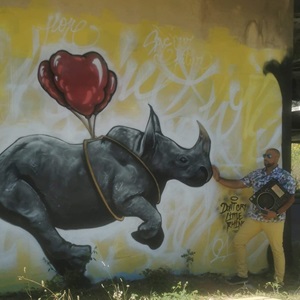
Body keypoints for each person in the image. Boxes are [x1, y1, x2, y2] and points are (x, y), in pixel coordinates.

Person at [212, 148, 296, 286]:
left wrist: (276, 213)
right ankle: (242, 275)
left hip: (274, 220)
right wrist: (219, 179)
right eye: (264, 156)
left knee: (277, 249)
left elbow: (291, 199)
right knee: (239, 241)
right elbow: (239, 183)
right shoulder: (257, 174)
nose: (265, 158)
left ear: (276, 158)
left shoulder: (284, 176)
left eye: (269, 156)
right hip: (255, 218)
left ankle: (278, 282)